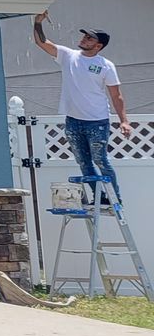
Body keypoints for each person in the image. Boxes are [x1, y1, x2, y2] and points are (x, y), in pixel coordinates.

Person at [33, 13, 126, 201]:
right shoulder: (68, 56)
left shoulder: (105, 65)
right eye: (84, 36)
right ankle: (99, 196)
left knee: (100, 159)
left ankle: (114, 196)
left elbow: (116, 95)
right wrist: (37, 23)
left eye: (89, 38)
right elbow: (42, 43)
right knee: (83, 162)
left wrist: (124, 121)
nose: (84, 39)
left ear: (98, 46)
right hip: (73, 120)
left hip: (97, 121)